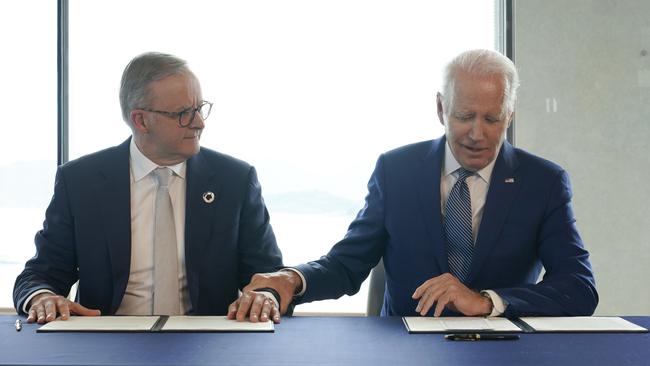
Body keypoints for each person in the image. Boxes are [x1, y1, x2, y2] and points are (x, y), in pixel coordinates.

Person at [228, 49, 598, 322]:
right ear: (441, 109)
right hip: (404, 346)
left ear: (510, 114)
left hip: (504, 346)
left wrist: (486, 301)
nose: (477, 134)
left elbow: (579, 288)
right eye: (464, 116)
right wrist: (292, 279)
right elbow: (347, 265)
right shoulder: (396, 170)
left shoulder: (544, 181)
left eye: (492, 118)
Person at [14, 52, 283, 324]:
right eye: (183, 114)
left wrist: (265, 294)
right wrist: (42, 296)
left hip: (209, 340)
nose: (200, 123)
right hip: (105, 341)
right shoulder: (81, 181)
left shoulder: (235, 180)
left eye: (199, 109)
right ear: (141, 120)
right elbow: (41, 274)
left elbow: (268, 275)